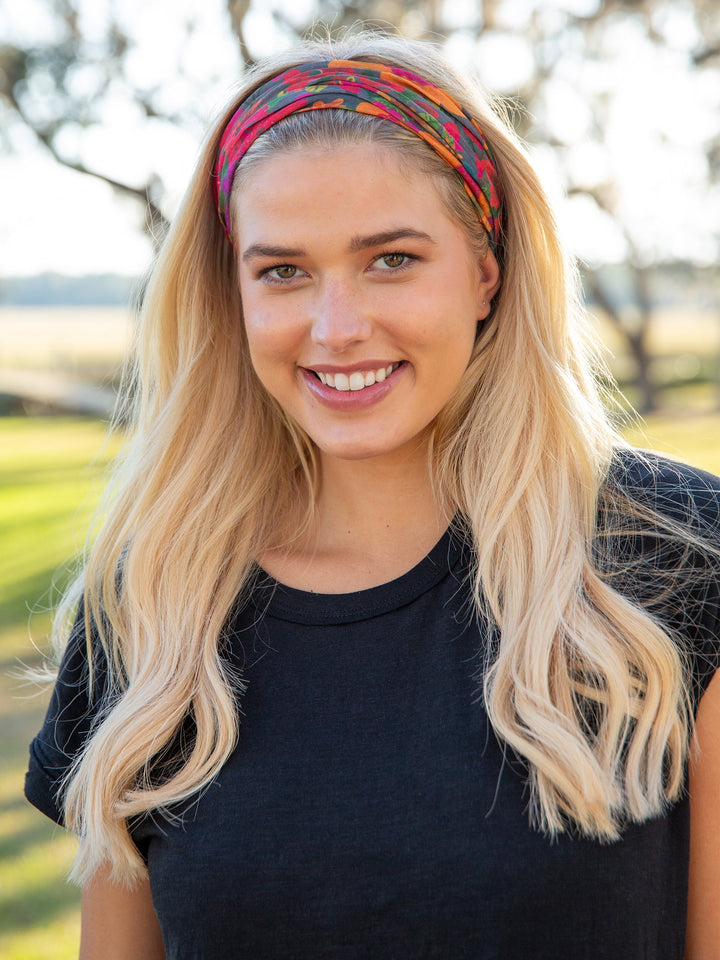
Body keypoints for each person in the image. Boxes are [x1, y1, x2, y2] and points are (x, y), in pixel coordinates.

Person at [24, 29, 720, 960]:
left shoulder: (677, 555)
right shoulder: (154, 597)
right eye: (283, 271)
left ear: (486, 273)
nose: (337, 326)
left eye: (391, 259)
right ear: (234, 296)